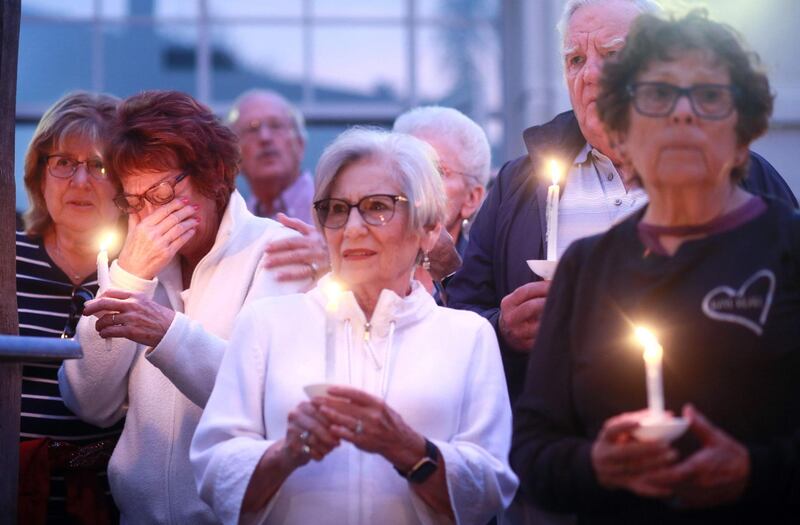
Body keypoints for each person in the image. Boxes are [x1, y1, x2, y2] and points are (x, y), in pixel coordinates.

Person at [512, 11, 800, 523]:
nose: (682, 115)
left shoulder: (789, 250)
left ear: (743, 132)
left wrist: (756, 471)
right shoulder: (586, 269)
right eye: (656, 96)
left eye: (709, 97)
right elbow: (534, 452)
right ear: (623, 131)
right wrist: (594, 464)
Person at [445, 0, 797, 404]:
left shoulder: (743, 178)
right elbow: (461, 318)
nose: (591, 75)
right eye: (575, 59)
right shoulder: (518, 185)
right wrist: (502, 330)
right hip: (567, 440)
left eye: (613, 55)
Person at [191, 129, 518, 524]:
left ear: (429, 228)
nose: (353, 227)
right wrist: (286, 453)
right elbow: (213, 467)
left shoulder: (467, 336)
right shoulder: (267, 324)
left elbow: (491, 486)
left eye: (378, 206)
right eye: (337, 209)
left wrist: (410, 449)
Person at [58, 90, 309, 524]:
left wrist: (168, 333)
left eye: (160, 193)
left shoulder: (277, 251)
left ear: (211, 175)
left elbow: (267, 397)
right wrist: (129, 277)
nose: (149, 217)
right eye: (134, 201)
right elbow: (88, 402)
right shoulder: (133, 260)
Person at [17, 91, 124, 525]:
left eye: (100, 166)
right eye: (63, 162)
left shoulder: (149, 274)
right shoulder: (6, 261)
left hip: (111, 501)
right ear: (39, 174)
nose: (80, 181)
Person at [228, 89, 330, 284]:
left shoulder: (337, 207)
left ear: (299, 144)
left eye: (276, 126)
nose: (265, 137)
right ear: (234, 156)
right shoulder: (232, 224)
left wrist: (338, 260)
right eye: (252, 129)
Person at [393, 106, 491, 256]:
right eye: (407, 167)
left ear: (472, 198)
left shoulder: (492, 276)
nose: (415, 181)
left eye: (438, 171)